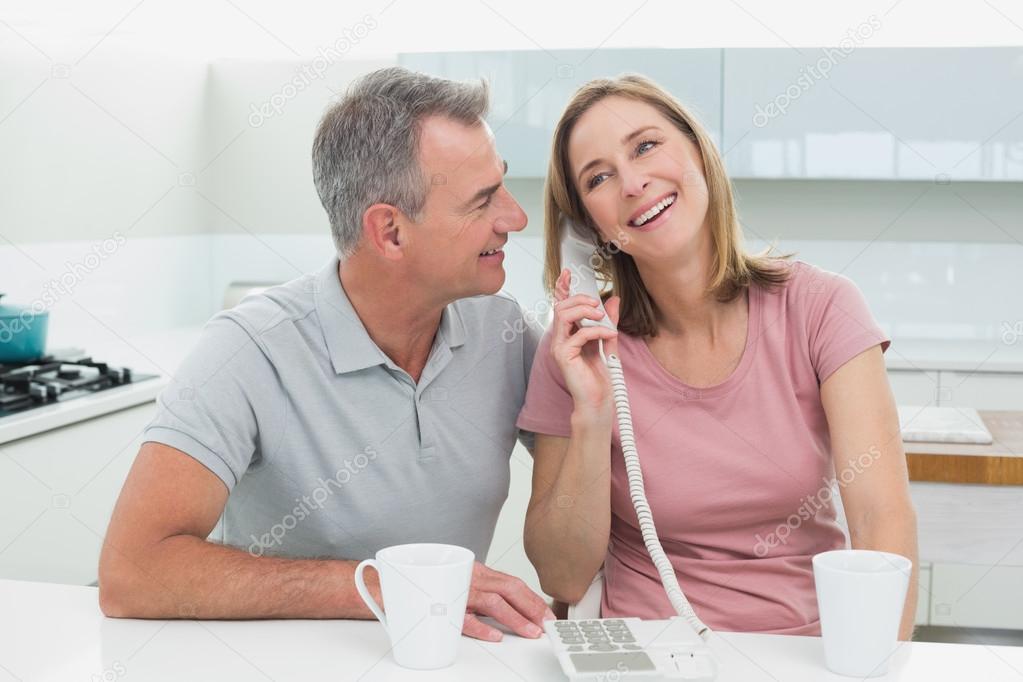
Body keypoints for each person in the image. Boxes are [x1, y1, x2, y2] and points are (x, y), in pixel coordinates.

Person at [99, 67, 554, 642]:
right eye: (483, 200)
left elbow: (607, 494)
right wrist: (379, 587)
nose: (515, 217)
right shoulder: (250, 351)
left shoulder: (505, 332)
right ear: (389, 232)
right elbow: (132, 572)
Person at [518, 74, 919, 638]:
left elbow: (883, 523)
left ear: (699, 152)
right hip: (648, 654)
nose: (632, 182)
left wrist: (880, 664)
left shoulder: (822, 308)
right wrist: (592, 416)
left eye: (646, 145)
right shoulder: (579, 350)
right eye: (600, 177)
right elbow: (562, 577)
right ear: (588, 224)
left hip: (806, 652)